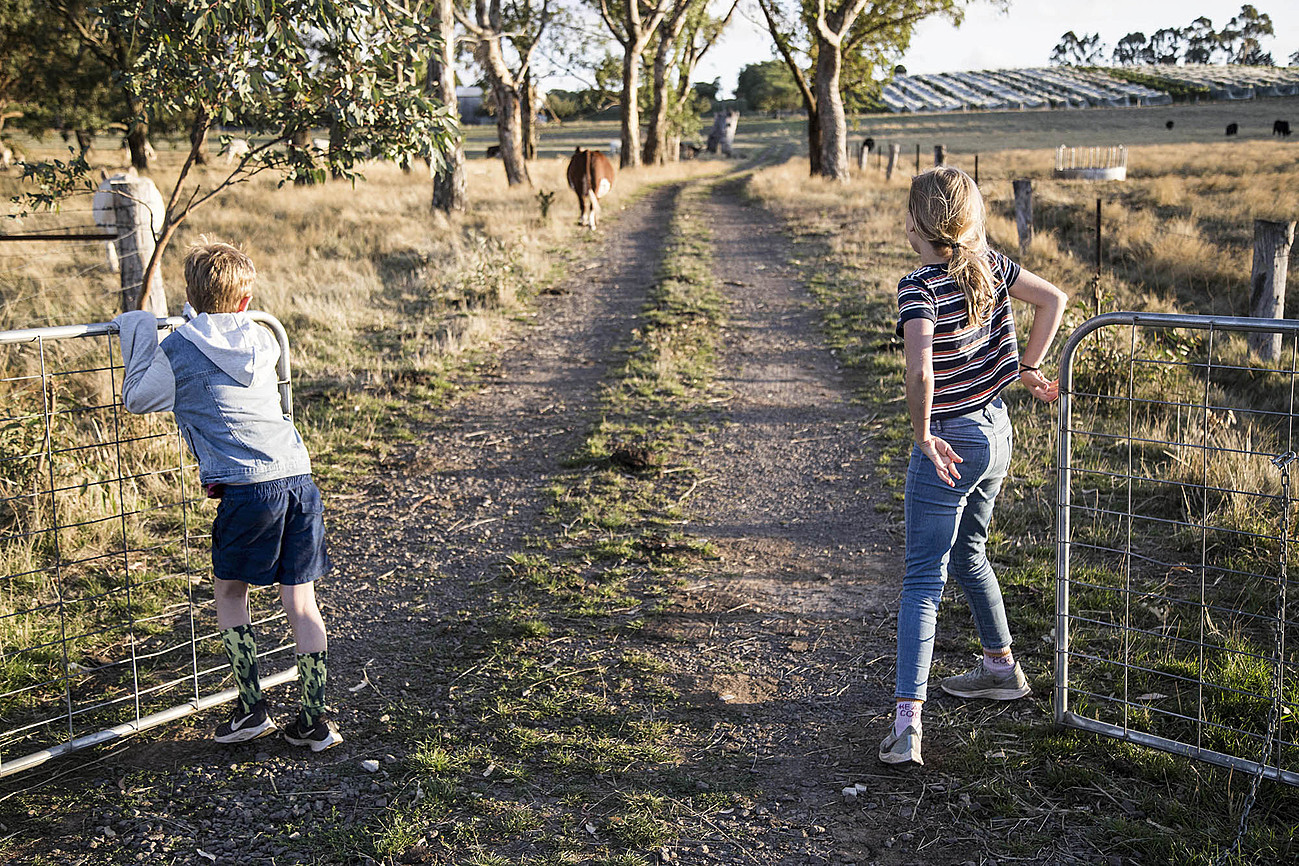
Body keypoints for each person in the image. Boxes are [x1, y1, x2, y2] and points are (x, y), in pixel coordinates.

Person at [115, 240, 342, 752]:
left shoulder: (179, 349)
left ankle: (251, 708)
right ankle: (314, 720)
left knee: (231, 594)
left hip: (247, 489)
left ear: (191, 296)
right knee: (300, 601)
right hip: (298, 478)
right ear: (246, 300)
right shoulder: (264, 338)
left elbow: (137, 398)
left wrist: (140, 330)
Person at [880, 167, 1066, 766]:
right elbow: (1053, 301)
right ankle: (1000, 668)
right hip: (995, 433)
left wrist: (923, 433)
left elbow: (920, 373)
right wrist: (1026, 366)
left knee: (921, 581)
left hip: (952, 443)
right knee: (969, 554)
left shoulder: (919, 285)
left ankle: (908, 726)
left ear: (916, 223)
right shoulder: (991, 267)